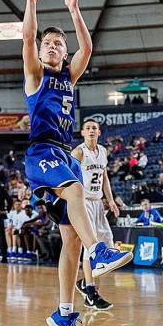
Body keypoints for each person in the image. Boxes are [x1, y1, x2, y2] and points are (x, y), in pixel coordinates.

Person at [22, 0, 131, 326]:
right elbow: (27, 37)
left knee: (70, 239)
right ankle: (99, 249)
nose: (51, 46)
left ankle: (64, 312)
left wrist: (73, 9)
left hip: (62, 152)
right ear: (40, 52)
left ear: (64, 54)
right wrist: (31, 4)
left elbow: (88, 46)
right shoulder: (35, 76)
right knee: (77, 190)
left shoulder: (69, 75)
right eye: (47, 44)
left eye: (58, 44)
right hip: (41, 152)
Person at [72, 119, 119, 311]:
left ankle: (85, 282)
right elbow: (69, 177)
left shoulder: (103, 151)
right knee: (90, 247)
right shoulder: (78, 152)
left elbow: (104, 177)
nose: (91, 130)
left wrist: (111, 200)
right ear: (82, 132)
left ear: (99, 132)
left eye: (94, 128)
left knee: (107, 243)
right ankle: (90, 292)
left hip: (98, 203)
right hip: (83, 203)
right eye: (88, 128)